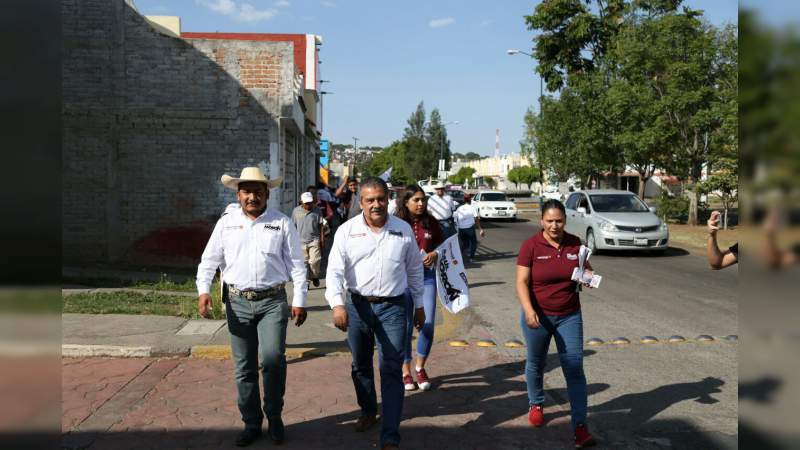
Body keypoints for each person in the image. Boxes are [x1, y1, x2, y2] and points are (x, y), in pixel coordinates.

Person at [196, 167, 308, 447]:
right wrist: (203, 291)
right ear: (238, 194)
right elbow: (209, 259)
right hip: (237, 302)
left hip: (272, 301)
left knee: (272, 360)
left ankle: (275, 417)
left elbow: (297, 264)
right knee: (244, 367)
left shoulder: (281, 222)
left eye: (258, 191)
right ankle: (251, 422)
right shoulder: (226, 223)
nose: (252, 196)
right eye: (247, 191)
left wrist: (300, 300)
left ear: (267, 193)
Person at [325, 177, 425, 450]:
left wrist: (419, 305)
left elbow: (415, 270)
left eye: (381, 198)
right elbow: (334, 270)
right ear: (361, 202)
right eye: (370, 200)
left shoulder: (402, 230)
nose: (376, 204)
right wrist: (337, 304)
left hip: (393, 307)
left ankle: (390, 433)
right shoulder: (347, 231)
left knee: (391, 368)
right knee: (360, 365)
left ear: (388, 199)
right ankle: (368, 410)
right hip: (357, 307)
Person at [515, 199, 596, 448]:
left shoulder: (575, 243)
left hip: (569, 315)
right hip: (538, 315)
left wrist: (588, 278)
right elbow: (521, 282)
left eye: (558, 220)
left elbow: (588, 271)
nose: (554, 225)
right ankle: (536, 403)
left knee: (574, 368)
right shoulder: (531, 245)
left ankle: (580, 426)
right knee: (536, 362)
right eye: (549, 220)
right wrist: (529, 310)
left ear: (565, 221)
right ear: (541, 221)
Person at [394, 184, 444, 392]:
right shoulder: (394, 223)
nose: (421, 203)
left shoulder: (431, 222)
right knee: (405, 327)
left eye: (423, 199)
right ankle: (405, 372)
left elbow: (444, 245)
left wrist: (435, 254)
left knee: (428, 323)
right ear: (406, 202)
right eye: (416, 200)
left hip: (427, 278)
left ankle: (420, 367)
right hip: (401, 280)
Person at [292, 192, 325, 287]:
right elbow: (293, 227)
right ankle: (306, 282)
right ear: (301, 202)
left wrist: (322, 240)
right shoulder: (295, 211)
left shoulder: (317, 210)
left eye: (310, 202)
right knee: (304, 263)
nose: (308, 205)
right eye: (306, 203)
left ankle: (314, 276)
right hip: (300, 241)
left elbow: (321, 225)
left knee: (315, 261)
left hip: (314, 240)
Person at [454, 194, 485, 263]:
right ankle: (471, 258)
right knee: (473, 243)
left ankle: (459, 258)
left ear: (464, 200)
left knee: (464, 244)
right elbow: (476, 218)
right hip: (469, 228)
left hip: (461, 229)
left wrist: (457, 229)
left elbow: (456, 219)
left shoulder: (459, 208)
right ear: (470, 200)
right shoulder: (472, 208)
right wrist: (480, 229)